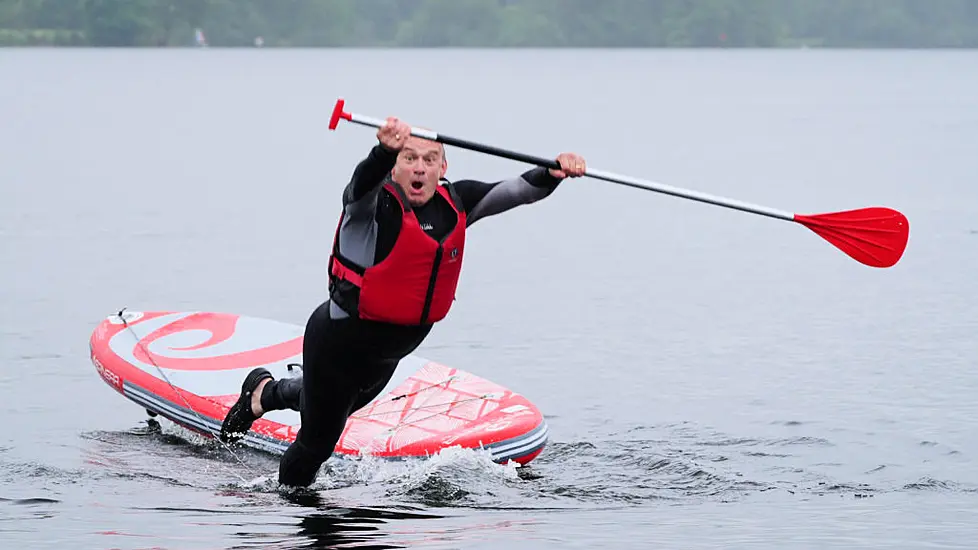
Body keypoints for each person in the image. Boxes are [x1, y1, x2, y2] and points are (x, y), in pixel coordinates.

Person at [219, 116, 587, 487]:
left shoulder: (456, 204)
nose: (419, 168)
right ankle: (295, 512)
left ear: (443, 168)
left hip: (384, 359)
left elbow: (519, 190)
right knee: (316, 445)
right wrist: (382, 152)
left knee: (331, 404)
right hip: (336, 344)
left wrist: (554, 172)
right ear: (395, 165)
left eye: (429, 160)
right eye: (409, 157)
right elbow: (359, 185)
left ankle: (262, 393)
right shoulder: (371, 207)